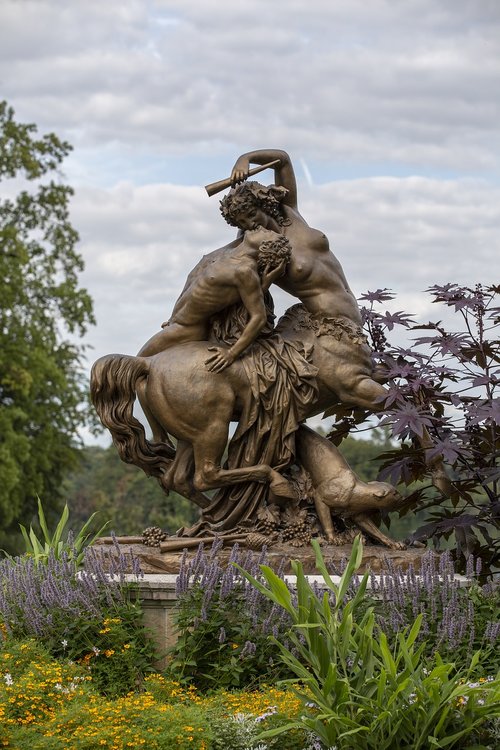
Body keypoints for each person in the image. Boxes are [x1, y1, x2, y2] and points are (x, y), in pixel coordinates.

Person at [222, 148, 387, 410]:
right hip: (328, 325)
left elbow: (283, 160)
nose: (253, 226)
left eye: (252, 216)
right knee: (361, 389)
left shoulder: (291, 213)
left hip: (353, 320)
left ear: (263, 204)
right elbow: (241, 289)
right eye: (245, 224)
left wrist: (245, 158)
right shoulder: (263, 251)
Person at [137, 226, 291, 372]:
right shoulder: (227, 254)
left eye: (269, 233)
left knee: (137, 361)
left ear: (265, 246)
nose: (263, 228)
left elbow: (258, 317)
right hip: (176, 323)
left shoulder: (245, 271)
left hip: (187, 328)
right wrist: (172, 319)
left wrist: (231, 353)